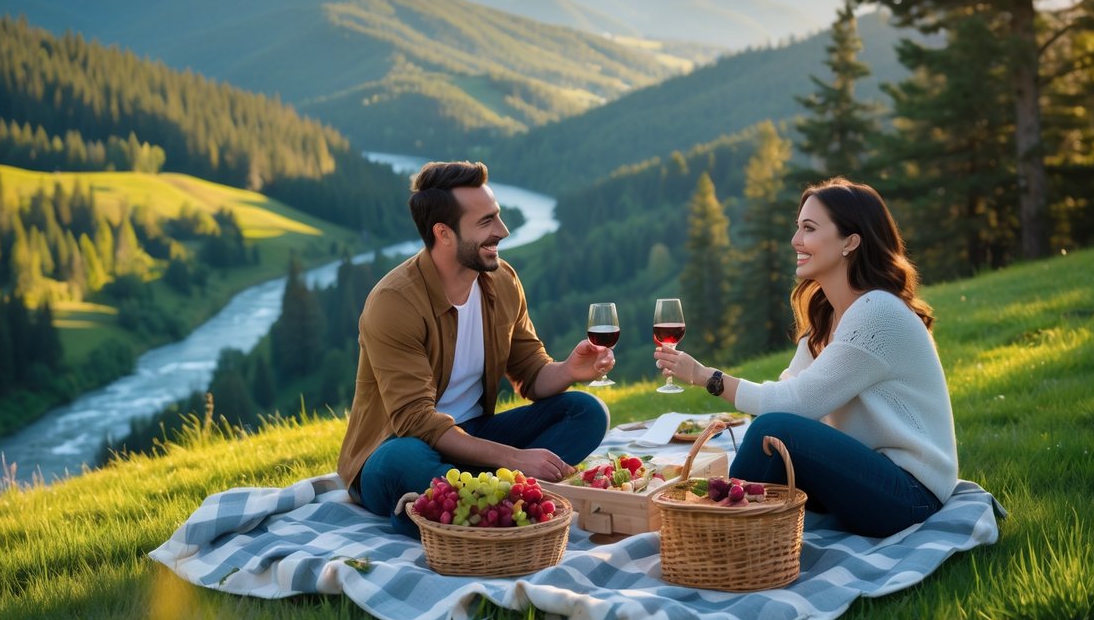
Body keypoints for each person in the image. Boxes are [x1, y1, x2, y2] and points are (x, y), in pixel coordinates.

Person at [654, 177, 958, 537]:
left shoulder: (878, 312)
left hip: (911, 494)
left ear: (851, 241)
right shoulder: (829, 316)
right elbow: (789, 390)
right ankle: (721, 528)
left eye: (809, 228)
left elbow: (796, 405)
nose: (796, 240)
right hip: (870, 476)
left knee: (772, 432)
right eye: (797, 227)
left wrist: (710, 378)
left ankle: (713, 534)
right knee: (768, 433)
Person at [338, 160, 611, 537]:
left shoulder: (501, 281)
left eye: (497, 217)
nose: (502, 231)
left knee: (586, 411)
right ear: (444, 233)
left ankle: (463, 504)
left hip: (476, 437)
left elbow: (531, 373)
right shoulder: (394, 302)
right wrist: (516, 458)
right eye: (486, 223)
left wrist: (568, 371)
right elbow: (416, 420)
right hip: (406, 445)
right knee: (398, 460)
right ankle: (498, 498)